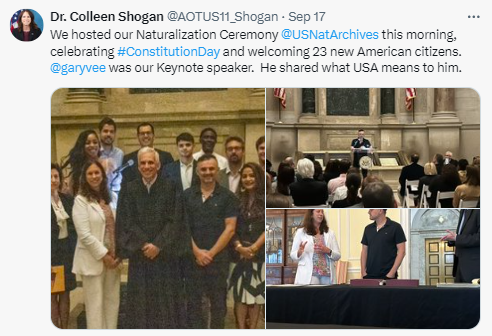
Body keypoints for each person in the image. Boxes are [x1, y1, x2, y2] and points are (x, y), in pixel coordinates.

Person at [116, 147, 186, 328]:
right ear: (138, 167)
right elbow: (126, 220)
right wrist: (144, 244)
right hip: (140, 256)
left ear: (158, 165)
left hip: (164, 256)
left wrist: (158, 244)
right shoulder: (129, 189)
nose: (147, 166)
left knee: (164, 304)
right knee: (140, 304)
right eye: (143, 163)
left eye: (151, 162)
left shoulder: (171, 187)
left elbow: (175, 220)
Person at [183, 154, 238, 328]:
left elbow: (230, 228)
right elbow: (182, 227)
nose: (207, 172)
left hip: (218, 260)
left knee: (218, 306)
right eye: (203, 169)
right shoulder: (186, 196)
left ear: (217, 172)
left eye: (211, 169)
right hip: (192, 259)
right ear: (197, 172)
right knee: (193, 305)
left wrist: (211, 254)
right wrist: (197, 252)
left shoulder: (228, 197)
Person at [72, 160, 120, 329]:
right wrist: (104, 255)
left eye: (97, 173)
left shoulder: (111, 197)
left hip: (113, 261)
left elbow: (118, 226)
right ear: (84, 177)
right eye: (90, 174)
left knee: (112, 304)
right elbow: (84, 234)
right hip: (94, 260)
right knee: (95, 308)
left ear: (103, 175)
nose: (94, 176)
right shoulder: (81, 200)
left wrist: (117, 254)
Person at [229, 163, 265, 329]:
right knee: (240, 295)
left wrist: (255, 247)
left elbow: (271, 226)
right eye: (244, 176)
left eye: (251, 175)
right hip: (239, 255)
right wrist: (239, 247)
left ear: (258, 177)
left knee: (256, 296)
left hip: (259, 255)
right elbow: (230, 227)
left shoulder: (266, 200)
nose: (248, 179)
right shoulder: (235, 201)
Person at [51, 164, 77, 328]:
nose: (53, 180)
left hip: (66, 252)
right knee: (53, 294)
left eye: (56, 176)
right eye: (50, 177)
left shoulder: (67, 199)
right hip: (50, 254)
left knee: (66, 292)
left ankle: (65, 328)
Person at [290, 209, 341, 285]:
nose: (321, 214)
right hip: (310, 275)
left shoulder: (330, 233)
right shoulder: (301, 232)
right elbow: (292, 255)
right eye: (318, 212)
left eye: (322, 212)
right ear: (311, 214)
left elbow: (338, 256)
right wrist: (299, 252)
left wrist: (328, 251)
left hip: (327, 275)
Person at [121, 122, 173, 188]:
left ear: (154, 136)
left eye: (148, 133)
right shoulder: (128, 159)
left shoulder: (166, 157)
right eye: (142, 133)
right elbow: (125, 184)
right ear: (138, 137)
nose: (145, 136)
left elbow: (170, 182)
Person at [360, 209, 406, 279]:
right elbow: (364, 251)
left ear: (380, 211)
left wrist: (391, 273)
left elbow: (402, 251)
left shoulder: (396, 227)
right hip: (369, 275)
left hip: (388, 275)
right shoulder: (368, 229)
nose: (369, 212)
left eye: (371, 210)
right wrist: (363, 272)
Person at [441, 209, 480, 283]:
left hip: (474, 266)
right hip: (459, 265)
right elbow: (462, 235)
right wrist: (452, 239)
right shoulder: (463, 211)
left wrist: (457, 238)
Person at [61, 130, 100, 195]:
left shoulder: (105, 164)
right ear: (82, 146)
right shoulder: (77, 171)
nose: (92, 145)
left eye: (95, 142)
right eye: (88, 143)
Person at [98, 117, 124, 195]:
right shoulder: (95, 153)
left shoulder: (120, 154)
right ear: (100, 133)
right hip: (98, 193)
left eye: (111, 132)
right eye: (105, 131)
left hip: (116, 194)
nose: (108, 134)